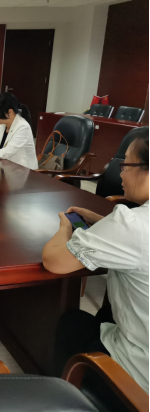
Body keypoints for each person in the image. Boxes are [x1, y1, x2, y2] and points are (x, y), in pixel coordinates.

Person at [43, 128, 149, 393]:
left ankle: (65, 400)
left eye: (125, 164)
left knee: (71, 325)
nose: (121, 173)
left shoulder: (131, 224)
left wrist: (65, 227)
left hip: (138, 378)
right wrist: (103, 223)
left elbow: (54, 261)